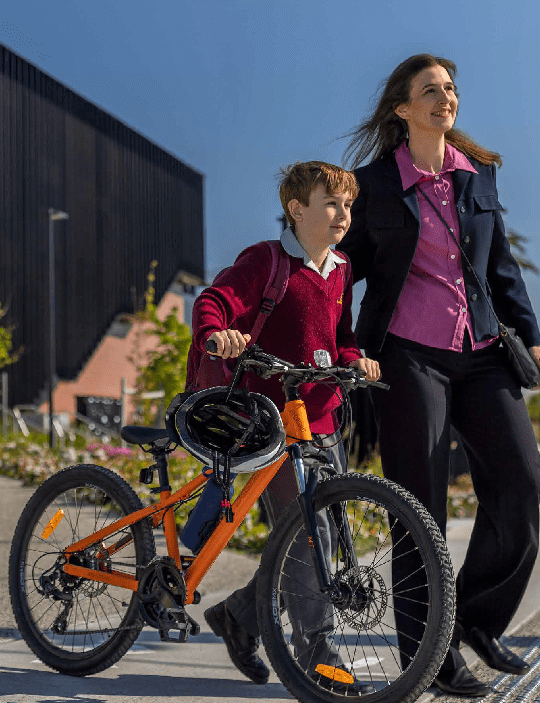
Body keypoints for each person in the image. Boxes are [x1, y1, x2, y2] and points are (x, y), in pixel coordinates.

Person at [338, 54, 540, 698]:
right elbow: (339, 269)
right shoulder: (371, 184)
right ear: (403, 109)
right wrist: (338, 346)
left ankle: (478, 620)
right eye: (430, 90)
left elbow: (502, 267)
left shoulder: (475, 177)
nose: (445, 97)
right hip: (408, 355)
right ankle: (430, 658)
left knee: (521, 478)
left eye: (451, 89)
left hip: (483, 349)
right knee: (419, 508)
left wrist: (532, 338)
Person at [192, 161, 380, 693]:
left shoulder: (340, 268)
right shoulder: (267, 259)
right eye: (331, 203)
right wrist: (218, 334)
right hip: (271, 420)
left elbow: (339, 336)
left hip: (320, 418)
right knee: (305, 533)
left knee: (326, 538)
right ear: (298, 209)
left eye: (347, 204)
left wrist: (355, 358)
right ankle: (318, 656)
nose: (343, 213)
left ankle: (238, 616)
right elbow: (215, 301)